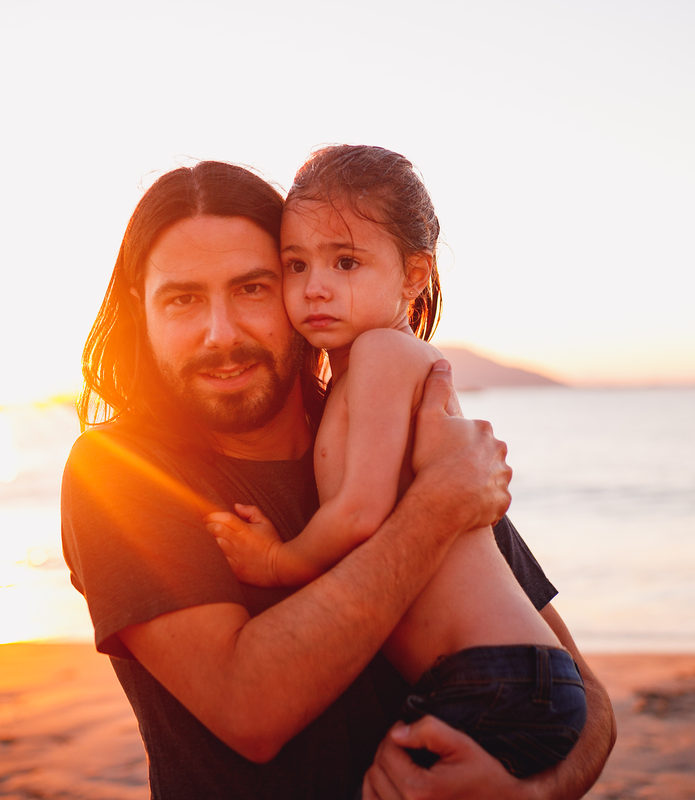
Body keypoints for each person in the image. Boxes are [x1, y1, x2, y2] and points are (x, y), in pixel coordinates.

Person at [60, 160, 615, 800]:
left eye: (253, 288)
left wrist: (530, 794)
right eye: (184, 298)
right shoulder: (122, 469)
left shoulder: (391, 434)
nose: (221, 333)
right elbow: (249, 709)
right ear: (143, 310)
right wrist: (434, 511)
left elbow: (581, 692)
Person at [204, 145, 586, 779]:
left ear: (414, 275)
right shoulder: (361, 376)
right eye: (295, 265)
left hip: (495, 673)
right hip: (505, 673)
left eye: (346, 262)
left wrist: (276, 560)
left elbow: (361, 513)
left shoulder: (384, 355)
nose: (314, 287)